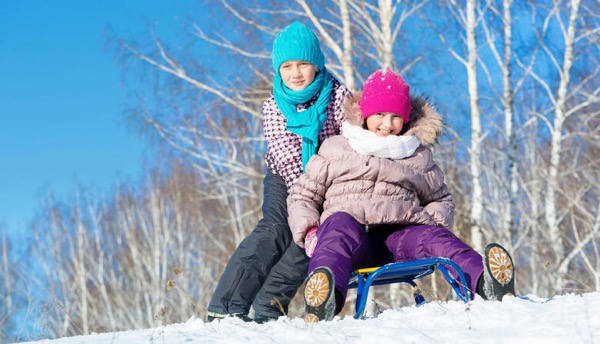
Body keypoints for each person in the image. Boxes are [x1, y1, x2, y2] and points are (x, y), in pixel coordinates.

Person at [286, 68, 516, 322]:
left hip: (400, 237)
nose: (387, 124)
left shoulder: (416, 155)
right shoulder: (337, 148)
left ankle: (487, 283)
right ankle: (324, 300)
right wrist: (309, 231)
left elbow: (440, 198)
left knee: (436, 238)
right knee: (337, 228)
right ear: (364, 114)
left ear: (406, 119)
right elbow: (302, 195)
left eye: (396, 116)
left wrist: (433, 225)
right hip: (352, 238)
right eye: (380, 115)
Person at [207, 21, 350, 322]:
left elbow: (350, 141)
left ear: (317, 64)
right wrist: (308, 197)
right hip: (286, 178)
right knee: (275, 230)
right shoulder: (274, 105)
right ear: (278, 70)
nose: (295, 73)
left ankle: (270, 305)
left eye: (302, 64)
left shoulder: (337, 96)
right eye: (286, 66)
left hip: (329, 180)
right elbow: (286, 158)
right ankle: (226, 304)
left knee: (310, 236)